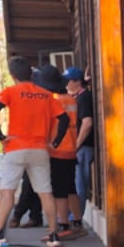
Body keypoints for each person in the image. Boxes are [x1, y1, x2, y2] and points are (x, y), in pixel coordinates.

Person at [0, 54, 65, 247]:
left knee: (7, 192)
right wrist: (56, 142)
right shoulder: (46, 95)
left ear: (13, 75)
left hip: (15, 148)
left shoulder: (11, 91)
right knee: (46, 193)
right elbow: (64, 119)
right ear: (30, 73)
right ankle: (53, 235)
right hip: (40, 150)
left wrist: (1, 136)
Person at [49, 71, 82, 236]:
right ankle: (77, 221)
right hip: (71, 148)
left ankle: (64, 225)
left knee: (59, 191)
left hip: (58, 150)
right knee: (70, 188)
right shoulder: (71, 100)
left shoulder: (54, 101)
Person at [68, 68, 95, 223]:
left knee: (79, 185)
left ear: (76, 82)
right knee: (76, 183)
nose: (67, 83)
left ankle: (76, 220)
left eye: (69, 80)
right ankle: (73, 218)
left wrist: (76, 145)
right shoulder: (78, 97)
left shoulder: (84, 98)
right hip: (80, 147)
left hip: (82, 147)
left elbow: (87, 123)